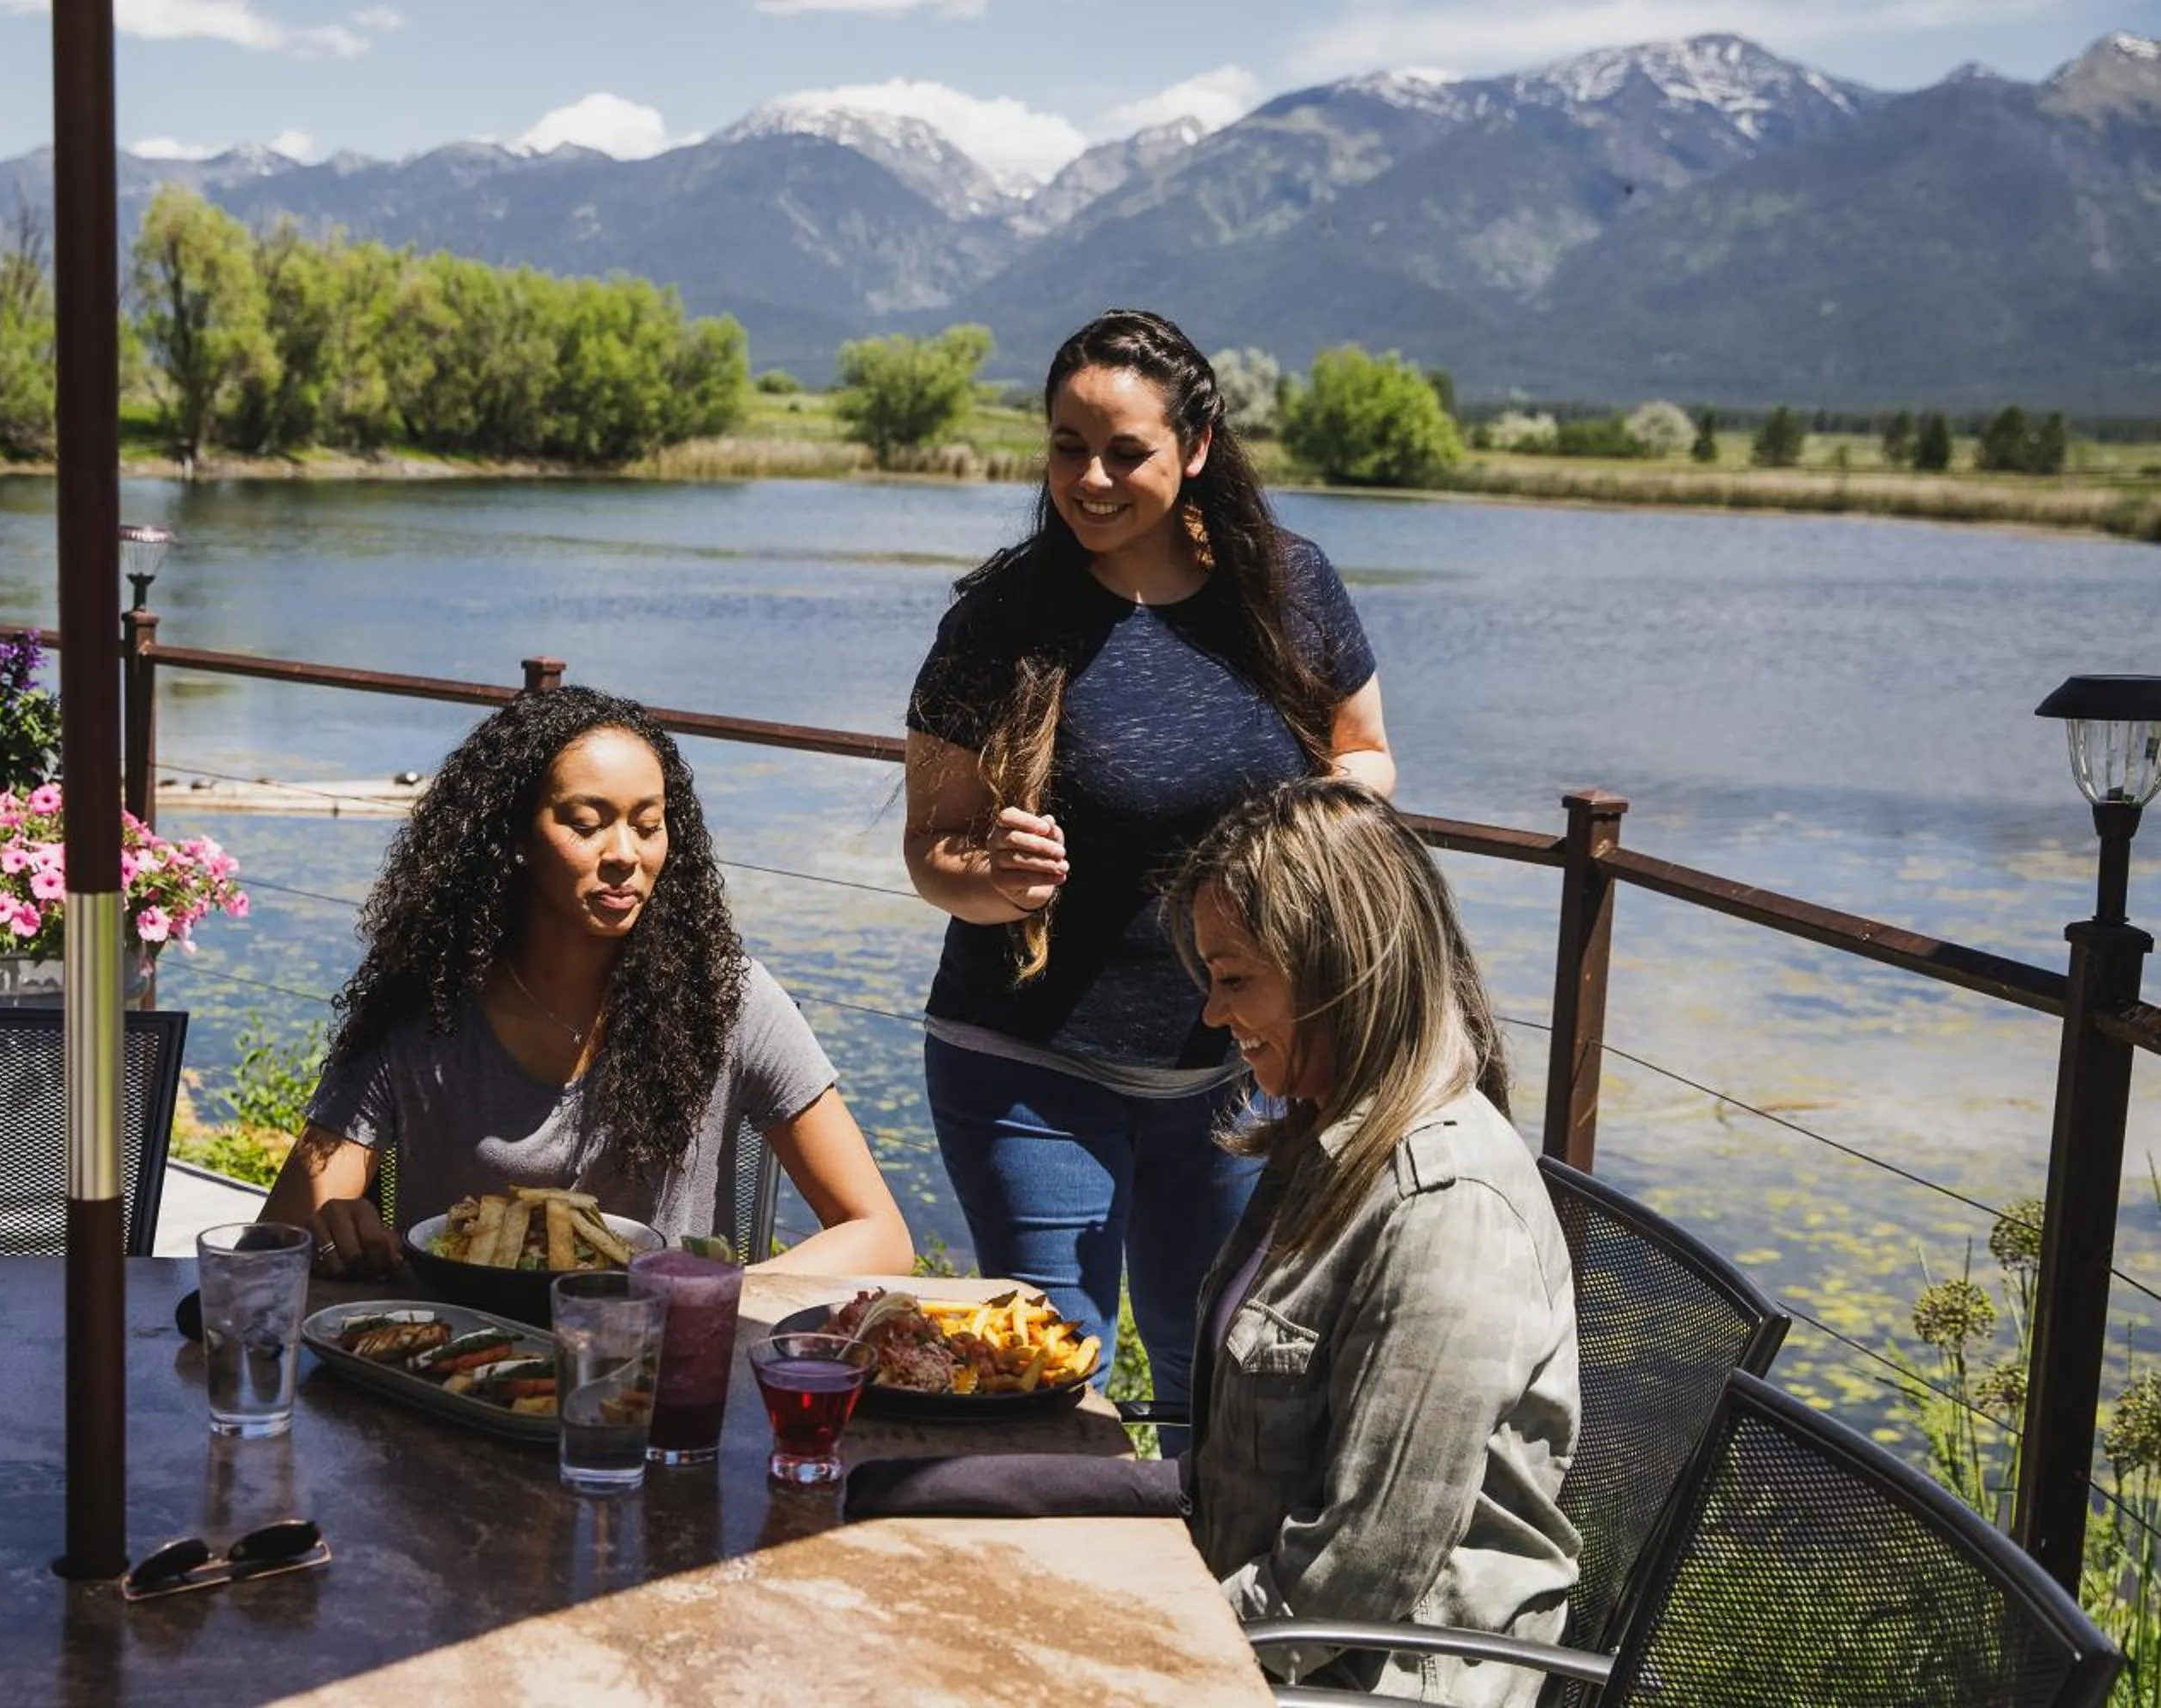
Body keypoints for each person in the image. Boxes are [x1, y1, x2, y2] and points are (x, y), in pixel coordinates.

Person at [901, 308, 1392, 1414]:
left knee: (1211, 1387)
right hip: (1022, 1063)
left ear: (1198, 447)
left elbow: (1365, 754)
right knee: (1050, 1380)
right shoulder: (1003, 615)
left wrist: (1317, 827)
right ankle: (1035, 1585)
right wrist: (995, 878)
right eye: (1069, 448)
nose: (1092, 479)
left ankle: (1194, 1590)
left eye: (1127, 452)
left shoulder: (1289, 588)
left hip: (1236, 1070)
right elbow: (932, 852)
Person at [261, 686, 914, 1280]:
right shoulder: (424, 1002)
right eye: (586, 823)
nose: (625, 854)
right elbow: (278, 1242)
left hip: (656, 1377)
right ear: (513, 835)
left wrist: (708, 1295)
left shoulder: (727, 1000)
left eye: (648, 825)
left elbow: (879, 1235)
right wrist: (332, 1233)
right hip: (456, 1359)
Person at [1169, 777, 1579, 1702]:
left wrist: (1144, 1642)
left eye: (1234, 978)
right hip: (1266, 1633)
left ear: (1338, 965)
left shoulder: (1446, 1207)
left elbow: (1360, 1565)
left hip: (1363, 1676)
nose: (1211, 1012)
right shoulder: (1326, 1131)